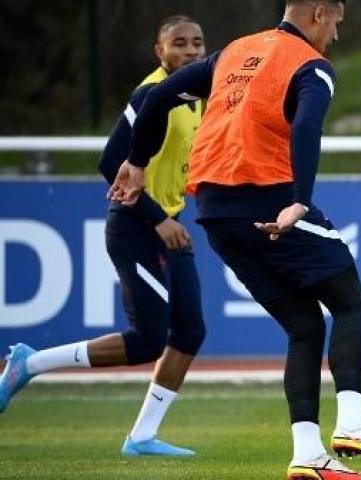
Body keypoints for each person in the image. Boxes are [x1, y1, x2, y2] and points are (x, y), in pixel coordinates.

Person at [107, 1, 361, 478]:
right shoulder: (311, 65)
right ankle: (354, 423)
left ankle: (308, 455)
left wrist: (139, 160)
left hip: (214, 212)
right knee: (352, 304)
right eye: (336, 21)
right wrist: (300, 199)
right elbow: (309, 126)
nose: (335, 33)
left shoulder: (234, 51)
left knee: (303, 326)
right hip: (269, 198)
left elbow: (156, 97)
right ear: (319, 13)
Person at [0, 15, 207, 457]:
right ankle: (29, 364)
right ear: (160, 52)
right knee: (149, 339)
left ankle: (142, 438)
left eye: (197, 44)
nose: (191, 52)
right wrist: (157, 217)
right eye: (180, 44)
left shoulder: (194, 97)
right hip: (136, 226)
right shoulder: (152, 93)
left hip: (168, 225)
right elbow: (111, 159)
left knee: (189, 332)